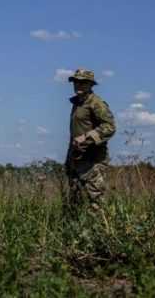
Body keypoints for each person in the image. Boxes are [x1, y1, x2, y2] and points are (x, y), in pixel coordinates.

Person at [64, 69, 116, 211]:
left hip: (93, 161)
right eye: (76, 82)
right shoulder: (78, 103)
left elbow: (110, 127)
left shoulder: (96, 103)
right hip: (77, 160)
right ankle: (76, 230)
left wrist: (87, 137)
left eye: (83, 82)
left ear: (90, 85)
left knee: (96, 200)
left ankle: (102, 230)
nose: (78, 85)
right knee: (76, 200)